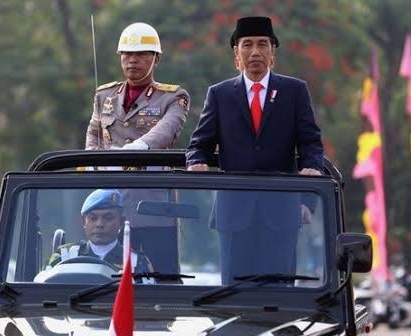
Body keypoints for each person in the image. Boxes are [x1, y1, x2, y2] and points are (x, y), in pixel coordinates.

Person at [185, 16, 325, 283]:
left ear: (273, 53)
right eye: (247, 45)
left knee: (280, 291)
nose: (255, 51)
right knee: (234, 294)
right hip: (234, 214)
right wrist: (197, 161)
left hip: (282, 212)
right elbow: (198, 145)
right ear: (236, 54)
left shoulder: (295, 91)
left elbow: (311, 144)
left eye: (263, 44)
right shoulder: (220, 94)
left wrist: (308, 196)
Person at [85, 22, 189, 272]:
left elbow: (166, 131)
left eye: (142, 54)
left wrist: (136, 149)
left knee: (160, 277)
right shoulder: (104, 96)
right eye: (127, 54)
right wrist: (92, 163)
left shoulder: (173, 97)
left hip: (152, 208)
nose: (133, 60)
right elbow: (94, 134)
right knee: (101, 276)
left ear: (156, 59)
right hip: (108, 208)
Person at [47, 189, 153, 273]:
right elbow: (43, 290)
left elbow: (147, 298)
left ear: (121, 222)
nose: (100, 224)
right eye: (93, 218)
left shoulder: (136, 261)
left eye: (108, 218)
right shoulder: (64, 256)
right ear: (84, 222)